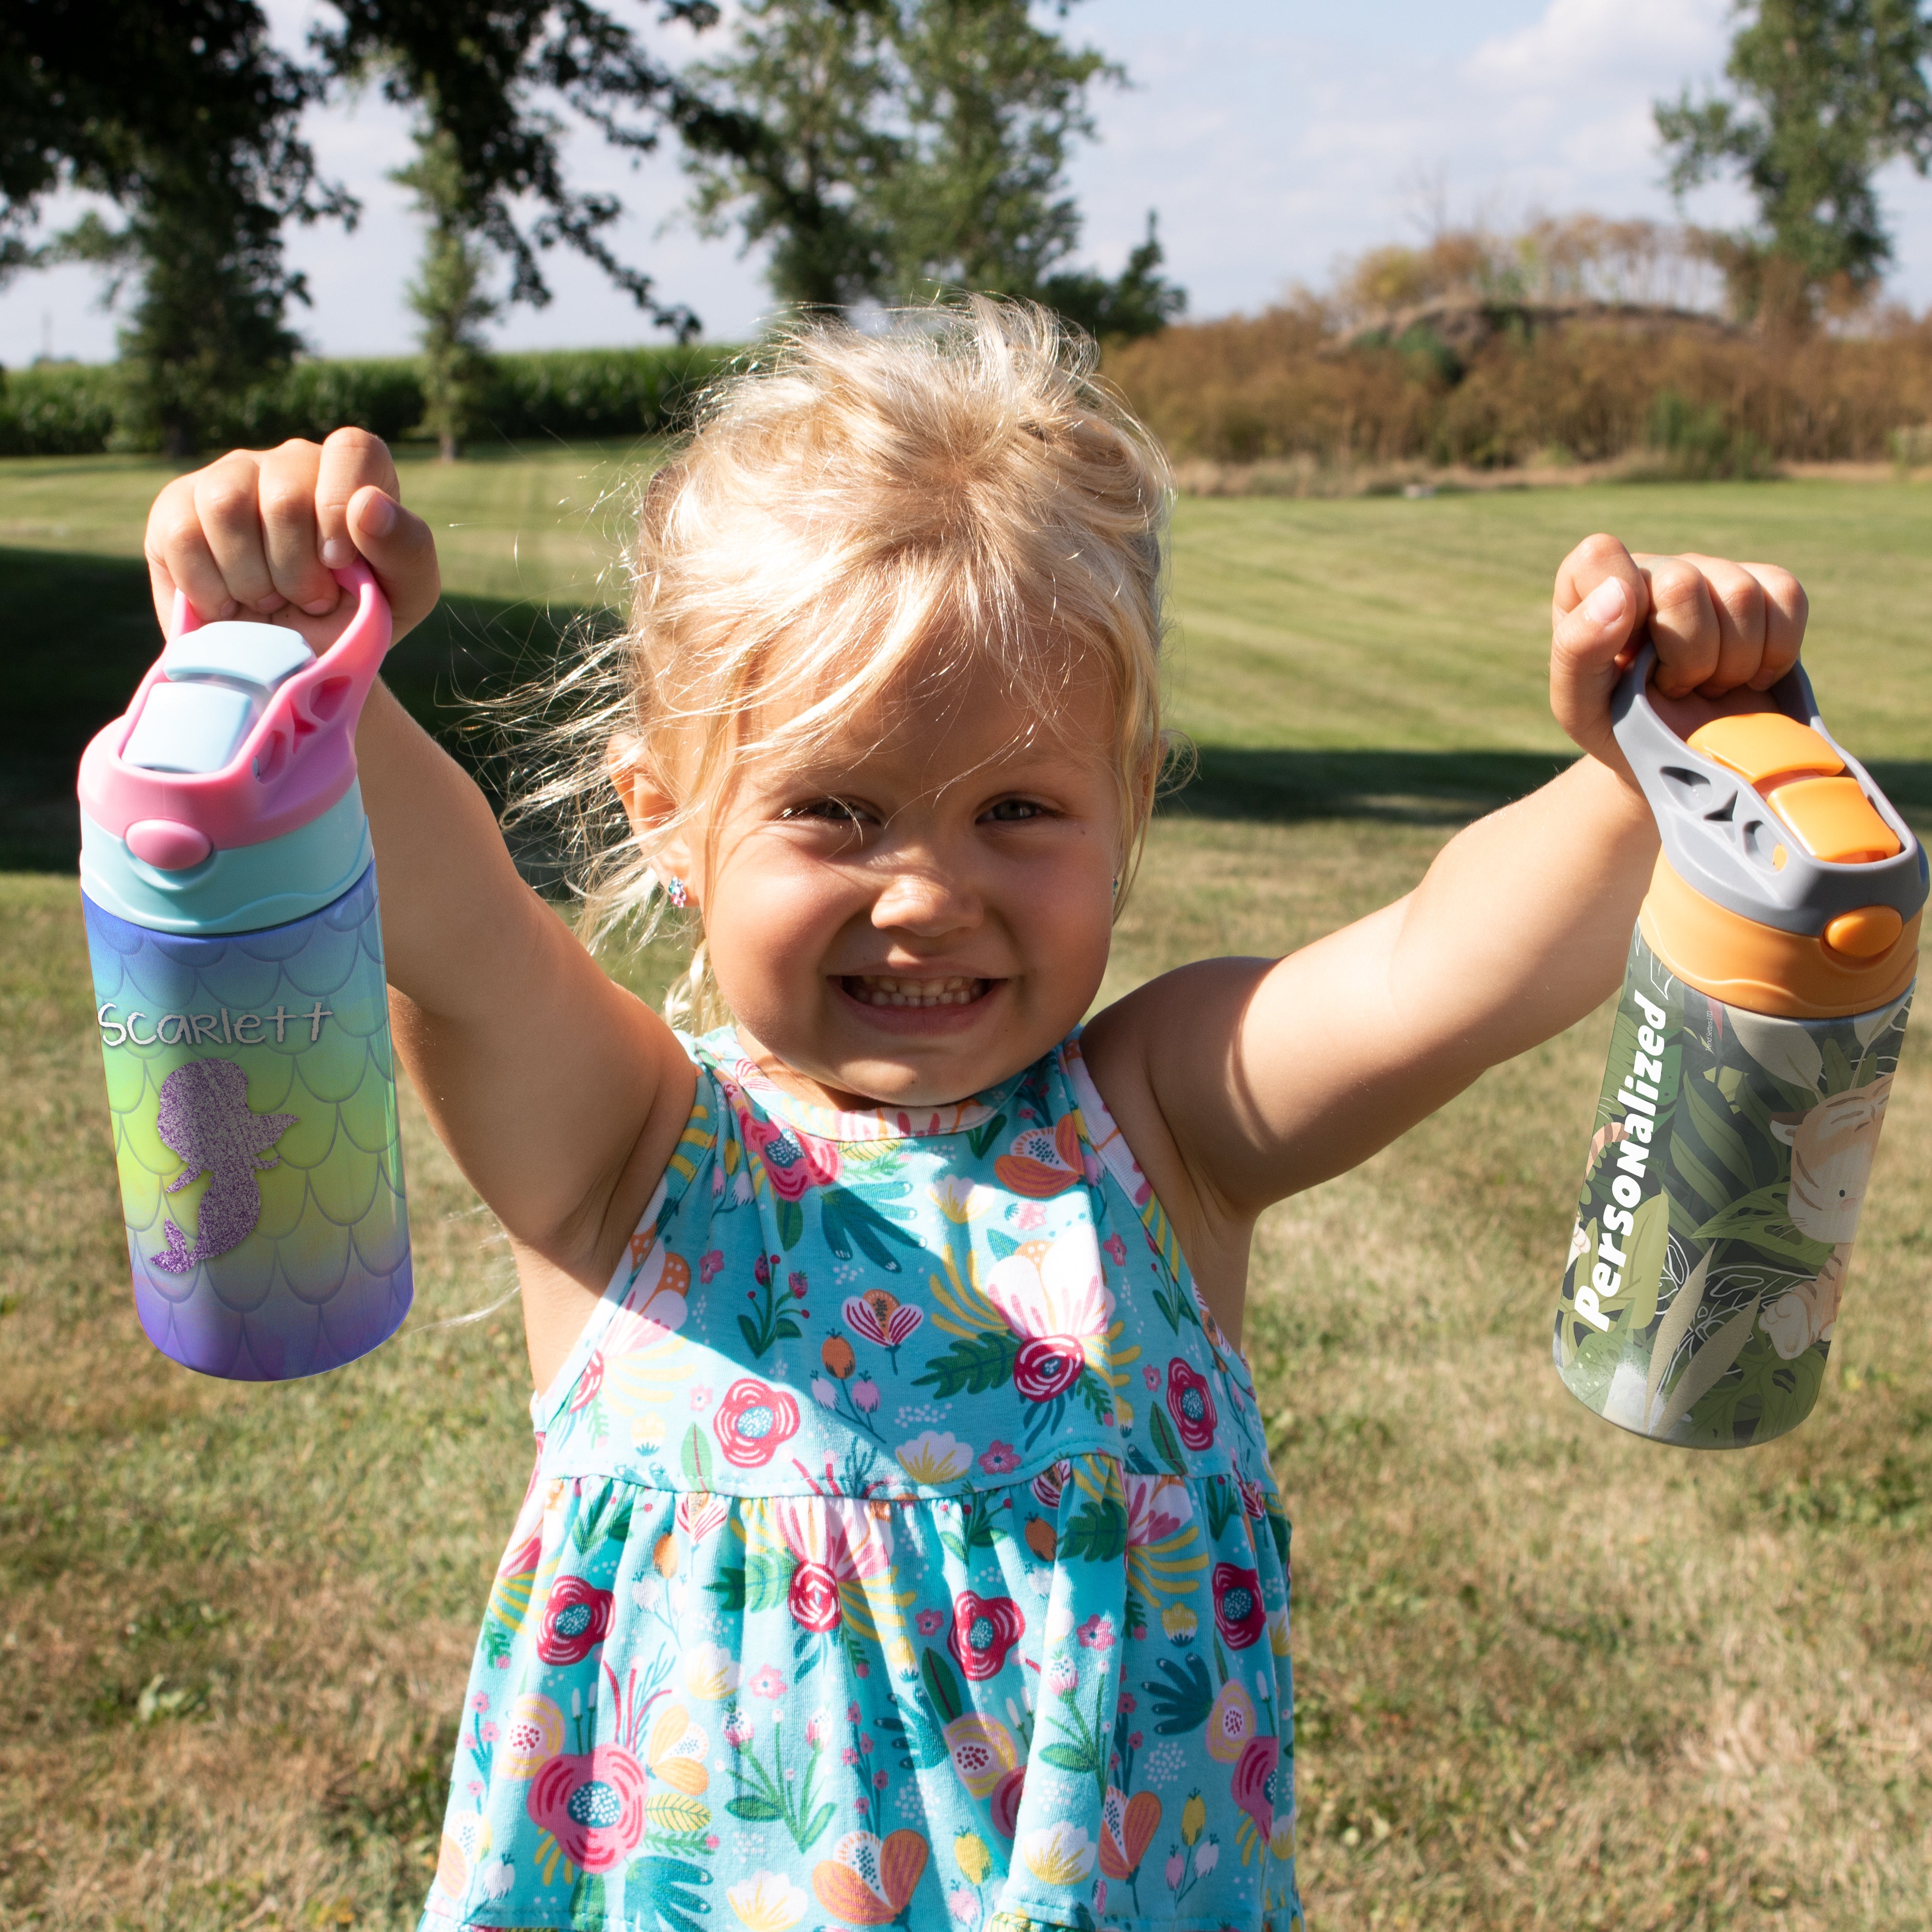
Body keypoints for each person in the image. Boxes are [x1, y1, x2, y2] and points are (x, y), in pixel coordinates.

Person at [140, 300, 1806, 1932]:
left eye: (1019, 809)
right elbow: (461, 933)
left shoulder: (1163, 1132)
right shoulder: (630, 1154)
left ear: (1129, 802)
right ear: (668, 817)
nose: (927, 894)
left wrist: (1645, 765)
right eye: (834, 810)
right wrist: (297, 677)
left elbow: (1454, 966)